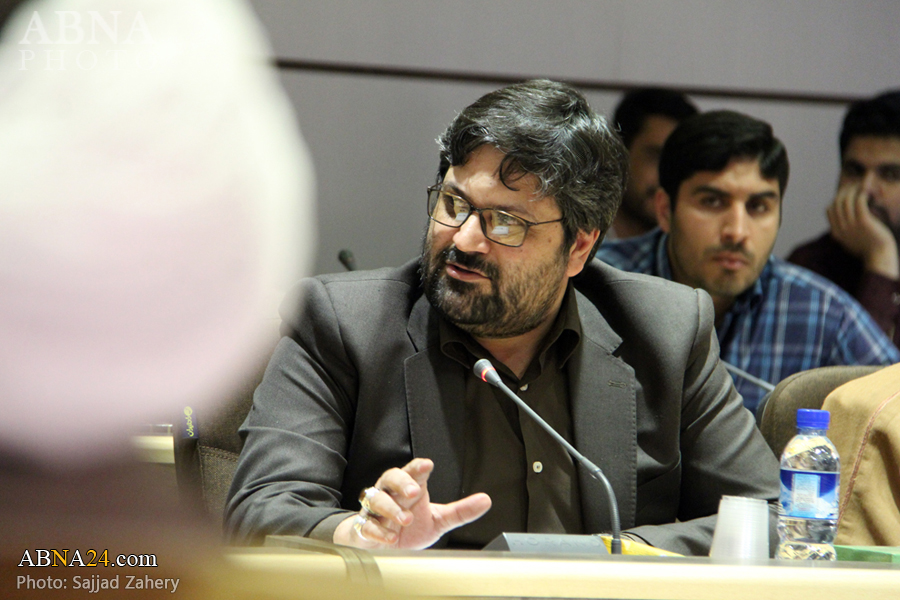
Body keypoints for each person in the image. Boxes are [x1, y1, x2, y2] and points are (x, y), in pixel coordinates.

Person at [225, 80, 780, 557]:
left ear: (578, 248)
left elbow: (772, 517)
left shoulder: (666, 331)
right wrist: (362, 533)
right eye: (454, 204)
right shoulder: (344, 325)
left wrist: (610, 555)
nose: (464, 239)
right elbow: (260, 509)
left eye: (506, 223)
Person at [596, 111, 899, 413]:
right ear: (665, 210)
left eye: (758, 206)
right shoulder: (596, 284)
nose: (737, 232)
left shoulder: (822, 313)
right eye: (713, 202)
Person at [788, 91, 900, 347]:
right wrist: (880, 259)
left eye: (890, 174)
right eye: (854, 171)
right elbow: (862, 371)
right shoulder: (809, 266)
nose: (866, 189)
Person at [607, 87, 698, 240]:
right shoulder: (574, 242)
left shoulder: (697, 249)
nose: (668, 176)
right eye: (656, 157)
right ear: (617, 155)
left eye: (680, 161)